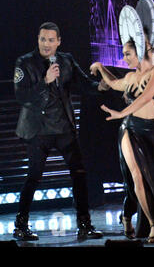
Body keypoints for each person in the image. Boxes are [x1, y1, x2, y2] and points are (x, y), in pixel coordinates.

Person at [13, 22, 106, 241]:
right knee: (33, 177)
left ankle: (85, 224)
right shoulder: (25, 63)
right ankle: (21, 225)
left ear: (59, 42)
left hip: (63, 127)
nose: (46, 44)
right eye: (43, 39)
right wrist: (45, 81)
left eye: (51, 40)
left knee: (79, 173)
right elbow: (22, 97)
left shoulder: (66, 60)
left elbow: (84, 84)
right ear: (38, 39)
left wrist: (99, 87)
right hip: (38, 130)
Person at [90, 36, 154, 243]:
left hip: (153, 131)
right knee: (138, 176)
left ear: (141, 52)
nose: (124, 58)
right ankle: (153, 224)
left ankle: (132, 217)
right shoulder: (130, 77)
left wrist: (121, 112)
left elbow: (145, 97)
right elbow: (113, 83)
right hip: (130, 129)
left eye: (128, 54)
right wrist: (101, 67)